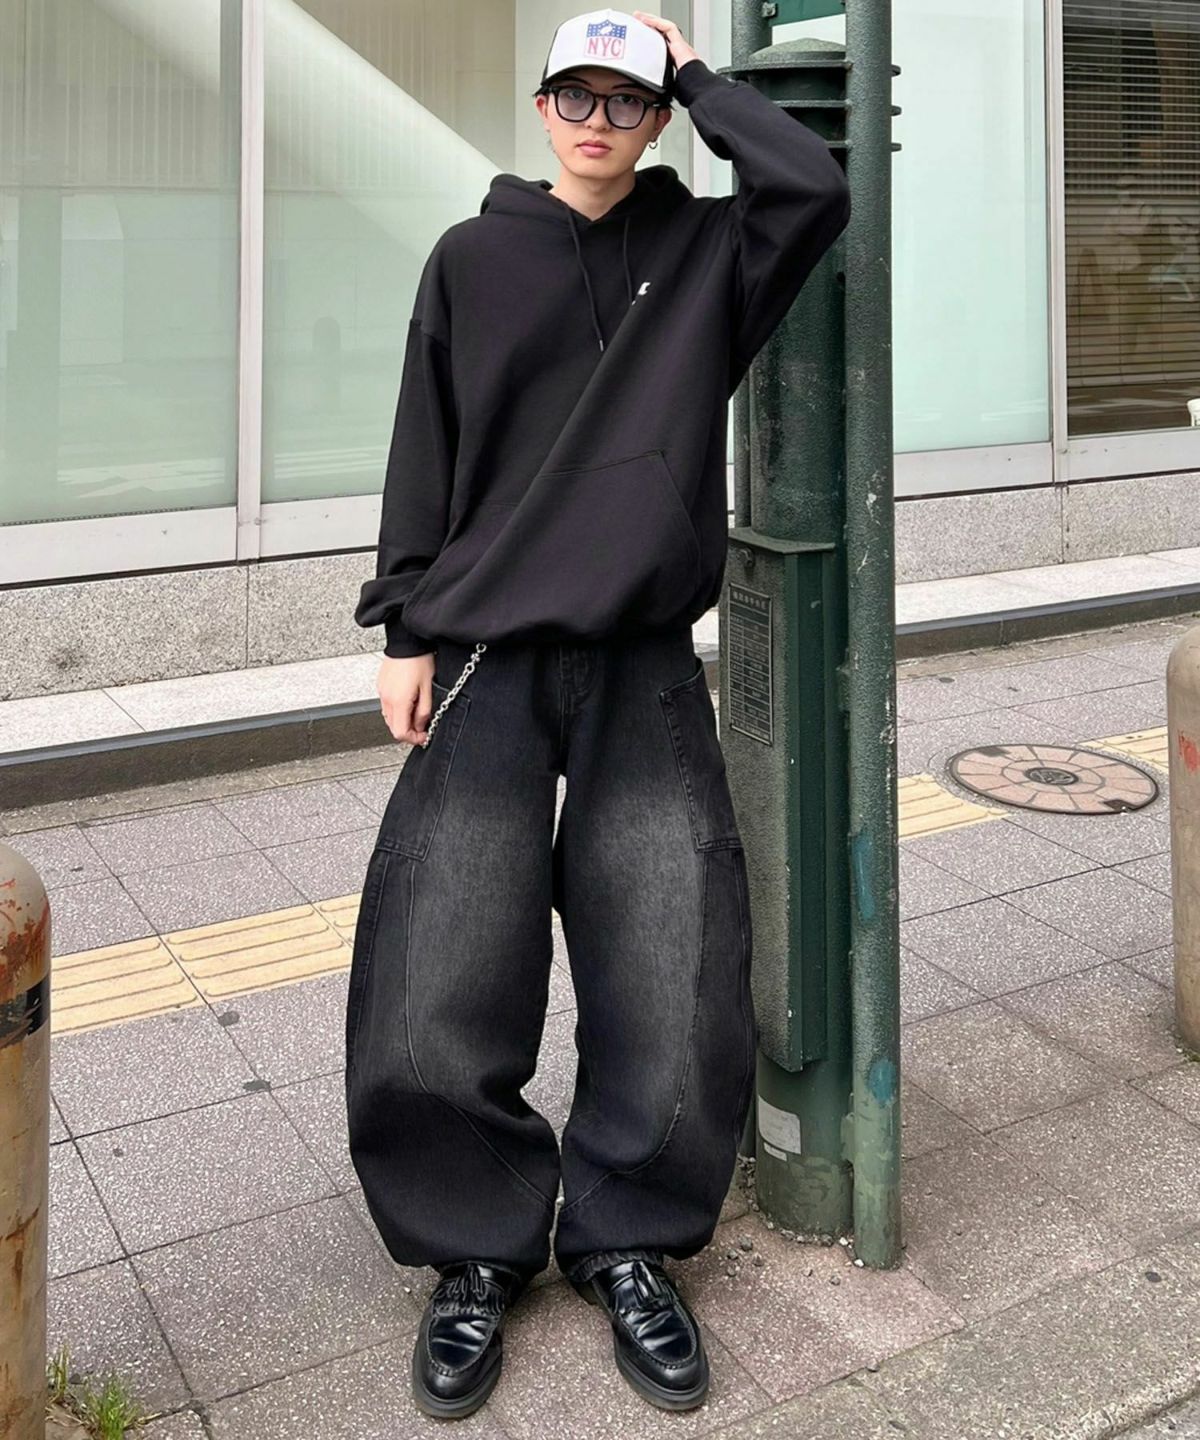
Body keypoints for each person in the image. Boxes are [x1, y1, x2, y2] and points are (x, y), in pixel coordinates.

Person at [346, 6, 850, 1420]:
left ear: (657, 116)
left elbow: (813, 186)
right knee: (441, 952)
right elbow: (426, 440)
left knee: (675, 952)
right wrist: (403, 622)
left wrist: (698, 74)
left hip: (644, 652)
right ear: (542, 107)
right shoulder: (471, 258)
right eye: (575, 95)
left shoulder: (705, 254)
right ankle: (473, 1244)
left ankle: (628, 1236)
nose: (597, 121)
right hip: (490, 650)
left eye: (627, 100)